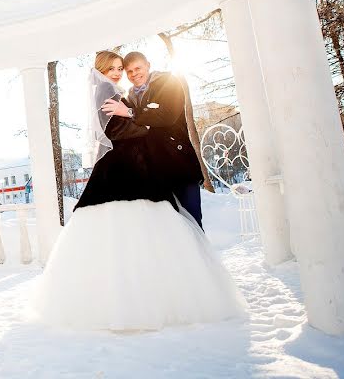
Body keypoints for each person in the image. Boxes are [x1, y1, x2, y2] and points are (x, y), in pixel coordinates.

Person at [33, 50, 245, 331]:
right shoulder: (110, 92)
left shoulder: (157, 86)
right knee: (161, 230)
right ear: (100, 71)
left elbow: (165, 116)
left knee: (187, 227)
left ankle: (185, 287)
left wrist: (134, 115)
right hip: (133, 169)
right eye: (114, 69)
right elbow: (117, 131)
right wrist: (141, 125)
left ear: (147, 66)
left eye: (124, 68)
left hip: (170, 168)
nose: (121, 73)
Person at [101, 50, 206, 227]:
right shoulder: (128, 97)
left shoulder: (169, 82)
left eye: (138, 68)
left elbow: (167, 115)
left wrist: (130, 113)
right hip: (155, 173)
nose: (135, 74)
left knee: (192, 222)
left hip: (179, 165)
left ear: (148, 65)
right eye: (130, 71)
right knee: (169, 227)